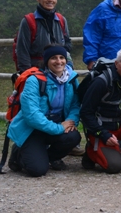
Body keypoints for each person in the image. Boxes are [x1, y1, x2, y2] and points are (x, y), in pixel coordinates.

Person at [7, 45, 81, 177]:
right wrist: (58, 128)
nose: (59, 61)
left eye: (61, 57)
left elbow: (76, 104)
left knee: (73, 136)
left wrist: (71, 121)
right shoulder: (34, 81)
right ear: (46, 61)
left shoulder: (71, 79)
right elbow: (31, 115)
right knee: (37, 170)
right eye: (54, 58)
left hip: (57, 124)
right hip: (33, 129)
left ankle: (50, 157)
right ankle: (18, 155)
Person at [15, 0, 72, 73]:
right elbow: (22, 52)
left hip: (59, 72)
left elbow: (67, 43)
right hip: (37, 73)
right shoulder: (29, 21)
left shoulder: (61, 20)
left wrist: (66, 64)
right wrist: (27, 75)